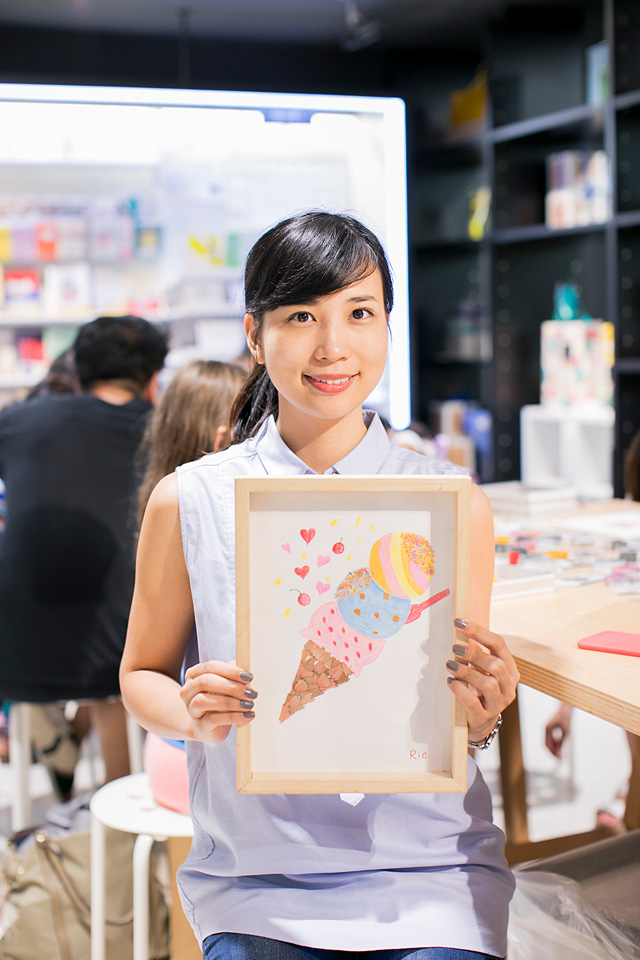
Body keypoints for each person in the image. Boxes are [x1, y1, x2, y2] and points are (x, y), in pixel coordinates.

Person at [121, 212, 519, 960]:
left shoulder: (448, 503)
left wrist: (484, 711)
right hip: (255, 881)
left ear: (388, 325)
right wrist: (191, 713)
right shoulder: (189, 499)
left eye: (359, 313)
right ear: (254, 334)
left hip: (432, 874)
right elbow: (140, 673)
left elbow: (458, 715)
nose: (333, 346)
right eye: (301, 316)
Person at [0, 314, 168, 784]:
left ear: (77, 371)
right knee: (125, 666)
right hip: (118, 649)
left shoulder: (19, 421)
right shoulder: (162, 430)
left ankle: (61, 748)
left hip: (14, 647)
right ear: (152, 378)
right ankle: (116, 802)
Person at [137, 358, 247, 814]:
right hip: (196, 754)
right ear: (223, 439)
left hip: (169, 746)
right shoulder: (190, 511)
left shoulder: (158, 506)